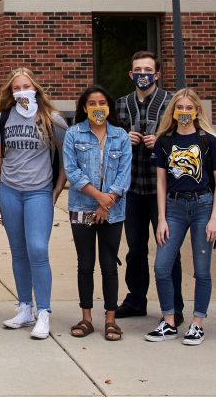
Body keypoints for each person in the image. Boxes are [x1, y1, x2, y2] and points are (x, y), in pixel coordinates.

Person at [0, 68, 67, 339]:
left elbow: (66, 158)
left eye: (26, 86)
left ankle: (43, 311)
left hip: (38, 192)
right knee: (18, 251)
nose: (22, 91)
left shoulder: (51, 118)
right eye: (16, 87)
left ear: (35, 89)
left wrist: (56, 189)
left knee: (37, 249)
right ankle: (25, 307)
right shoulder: (3, 118)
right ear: (11, 92)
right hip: (10, 191)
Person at [145, 89, 216, 345]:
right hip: (174, 207)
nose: (183, 112)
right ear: (173, 111)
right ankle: (169, 320)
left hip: (202, 205)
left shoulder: (209, 141)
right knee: (161, 266)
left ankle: (197, 323)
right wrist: (161, 217)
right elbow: (160, 182)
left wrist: (215, 217)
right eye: (179, 108)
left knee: (202, 269)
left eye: (188, 108)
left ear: (196, 111)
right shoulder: (164, 141)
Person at [114, 51, 181, 324]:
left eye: (148, 69)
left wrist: (163, 141)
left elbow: (187, 140)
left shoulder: (173, 103)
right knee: (135, 248)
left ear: (157, 74)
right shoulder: (120, 104)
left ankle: (174, 305)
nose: (143, 74)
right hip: (132, 188)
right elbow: (108, 141)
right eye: (137, 69)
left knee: (168, 248)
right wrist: (122, 138)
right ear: (131, 75)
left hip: (163, 189)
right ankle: (135, 299)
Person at [63, 85, 131, 341]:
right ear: (84, 107)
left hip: (113, 211)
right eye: (92, 103)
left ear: (109, 107)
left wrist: (106, 203)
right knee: (85, 264)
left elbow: (124, 174)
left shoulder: (121, 136)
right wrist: (98, 198)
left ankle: (111, 320)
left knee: (109, 265)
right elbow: (72, 171)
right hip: (82, 208)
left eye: (102, 102)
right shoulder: (73, 134)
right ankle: (87, 317)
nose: (97, 107)